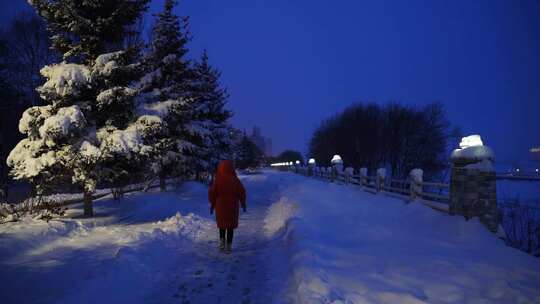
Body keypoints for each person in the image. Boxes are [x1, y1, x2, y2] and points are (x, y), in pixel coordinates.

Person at [208, 160, 247, 254]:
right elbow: (242, 192)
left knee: (222, 225)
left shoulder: (218, 180)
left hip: (220, 206)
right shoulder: (235, 179)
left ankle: (222, 243)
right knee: (230, 226)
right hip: (232, 206)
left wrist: (212, 205)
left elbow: (212, 193)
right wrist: (243, 203)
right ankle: (229, 246)